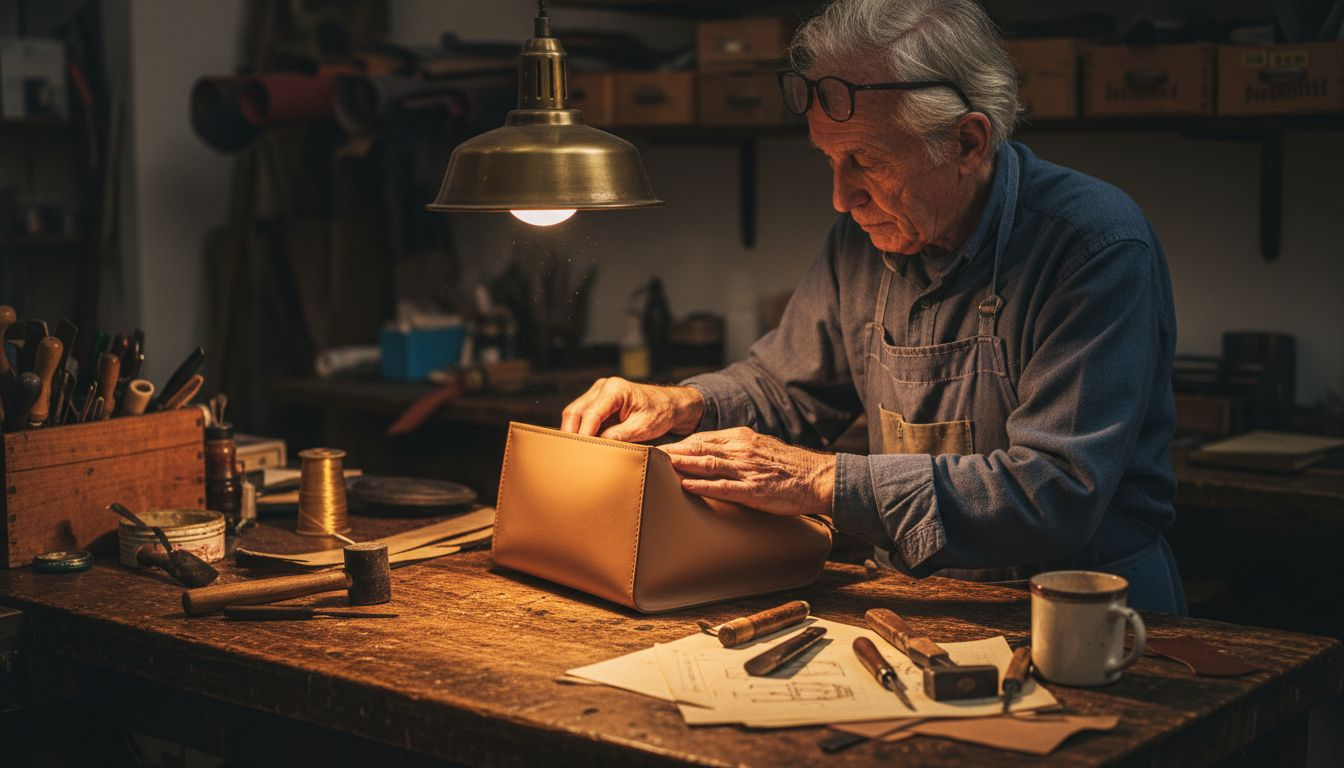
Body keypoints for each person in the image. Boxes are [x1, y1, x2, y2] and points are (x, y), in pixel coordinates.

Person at [561, 0, 1186, 614]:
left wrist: (821, 481)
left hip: (1083, 614)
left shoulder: (1093, 246)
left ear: (967, 142)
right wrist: (683, 403)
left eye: (867, 160)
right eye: (830, 159)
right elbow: (788, 388)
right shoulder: (867, 236)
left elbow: (1054, 491)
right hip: (913, 604)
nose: (841, 197)